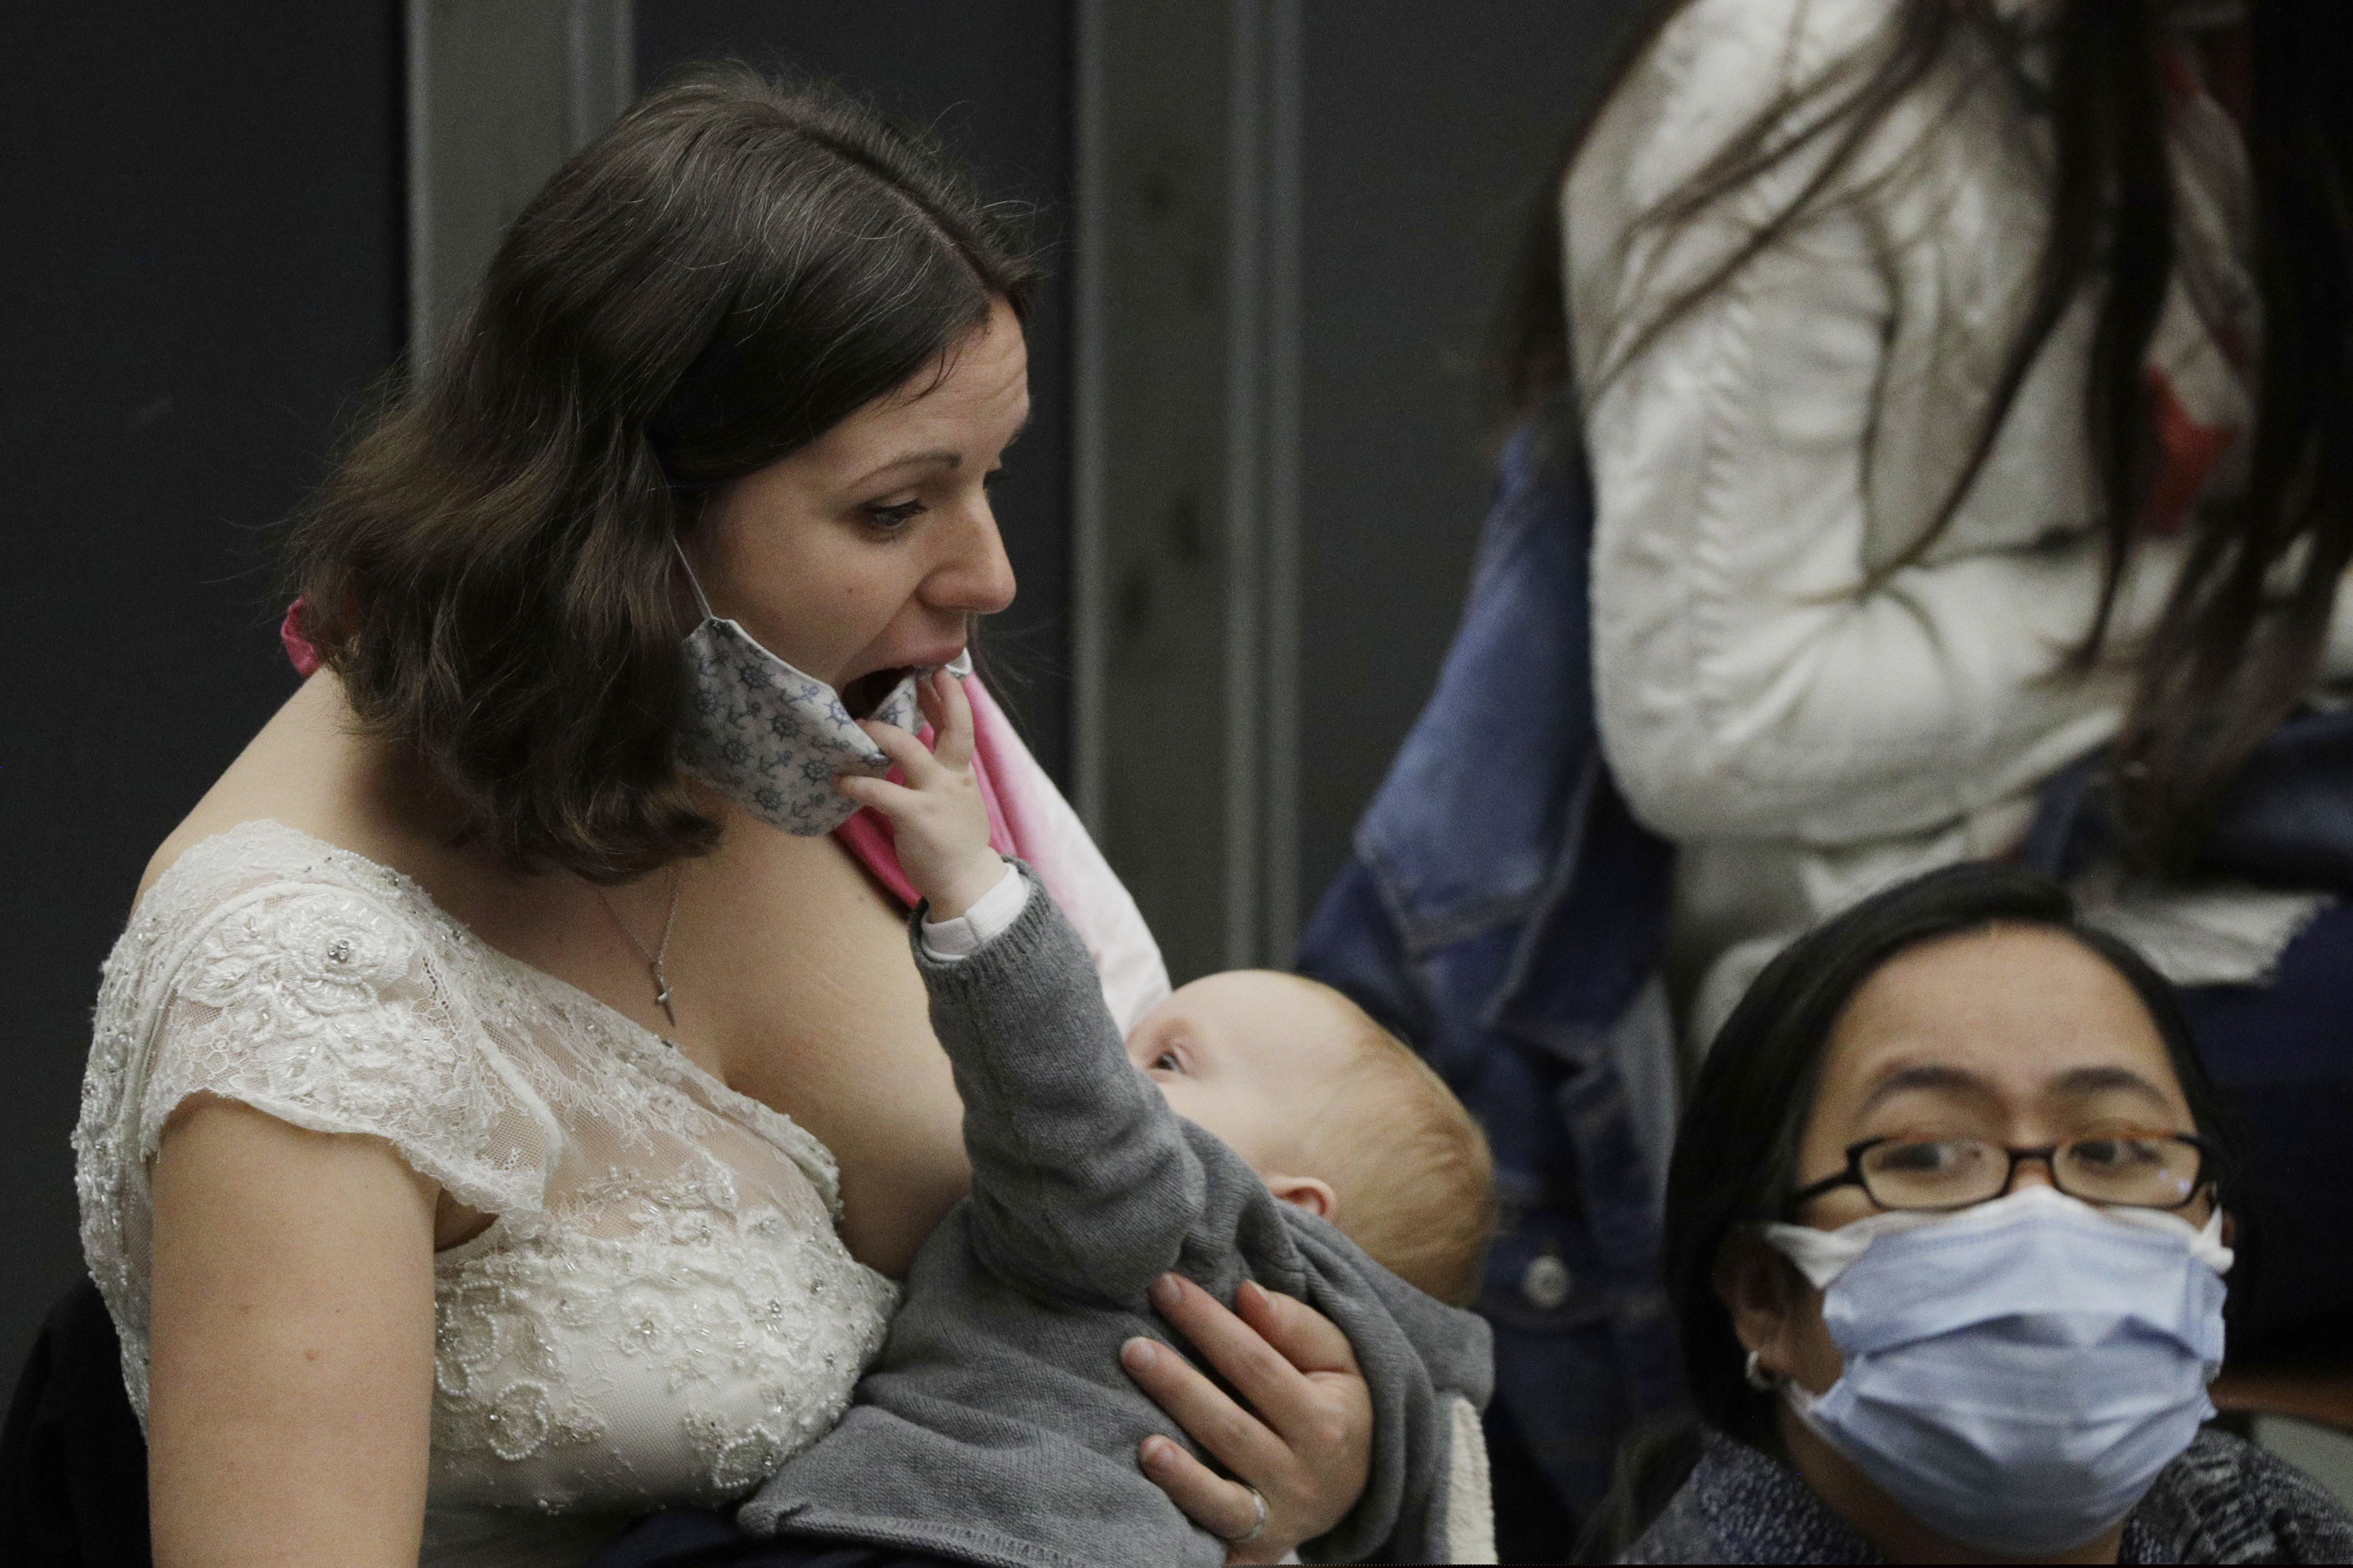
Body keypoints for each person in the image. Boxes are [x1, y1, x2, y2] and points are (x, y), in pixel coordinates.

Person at [72, 68, 1375, 1567]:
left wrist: (1314, 1467)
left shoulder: (825, 725)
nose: (989, 574)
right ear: (616, 529)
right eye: (895, 508)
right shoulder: (295, 987)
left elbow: (1144, 1220)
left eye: (989, 479)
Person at [1306, 0, 2353, 1548]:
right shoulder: (1793, 68)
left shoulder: (2235, 79)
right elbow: (1715, 716)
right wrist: (2211, 610)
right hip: (1843, 955)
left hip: (2173, 882)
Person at [595, 666, 1497, 1565]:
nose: (1111, 1058)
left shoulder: (1177, 1219)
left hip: (952, 1539)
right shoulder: (1372, 1383)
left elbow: (1087, 1129)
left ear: (1290, 1206)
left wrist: (978, 901)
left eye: (1166, 1060)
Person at [1614, 860, 2353, 1563]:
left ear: (2212, 1253)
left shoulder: (2266, 1527)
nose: (2044, 1217)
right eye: (1927, 1154)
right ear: (1762, 1291)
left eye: (2113, 1147)